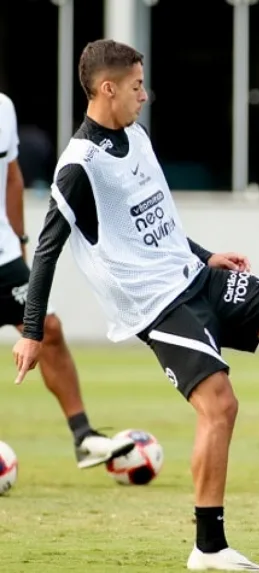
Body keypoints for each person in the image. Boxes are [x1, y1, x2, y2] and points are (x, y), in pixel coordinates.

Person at [12, 39, 259, 571]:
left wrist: (207, 254)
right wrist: (31, 331)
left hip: (196, 276)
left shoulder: (138, 137)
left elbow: (159, 221)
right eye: (135, 87)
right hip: (158, 305)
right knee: (220, 407)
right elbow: (48, 251)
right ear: (107, 89)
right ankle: (209, 547)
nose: (144, 95)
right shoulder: (78, 167)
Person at [0, 91, 136, 469]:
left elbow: (12, 177)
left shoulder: (4, 107)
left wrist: (20, 239)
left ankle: (83, 436)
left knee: (48, 328)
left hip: (3, 254)